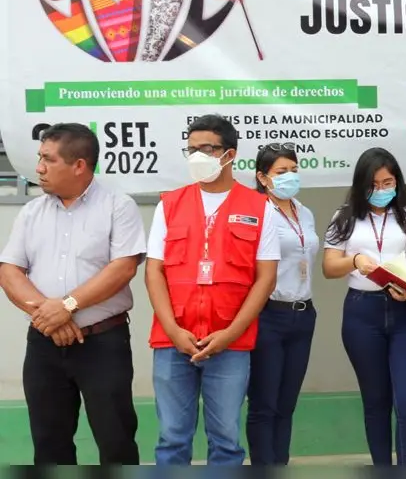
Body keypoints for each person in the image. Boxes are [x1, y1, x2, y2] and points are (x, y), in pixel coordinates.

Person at [0, 123, 146, 464]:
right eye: (40, 158)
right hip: (43, 344)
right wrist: (48, 315)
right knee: (49, 443)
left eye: (48, 160)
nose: (39, 168)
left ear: (79, 165)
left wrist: (67, 306)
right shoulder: (32, 211)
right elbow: (9, 270)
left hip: (102, 345)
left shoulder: (117, 206)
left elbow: (123, 268)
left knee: (116, 440)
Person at [145, 114, 280, 466]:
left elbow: (265, 278)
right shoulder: (169, 204)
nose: (196, 157)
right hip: (173, 340)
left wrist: (230, 333)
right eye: (190, 149)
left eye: (206, 149)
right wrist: (173, 331)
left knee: (226, 441)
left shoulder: (258, 207)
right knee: (172, 439)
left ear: (230, 154)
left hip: (230, 342)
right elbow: (154, 271)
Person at [323, 147, 406, 466]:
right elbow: (329, 267)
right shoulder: (344, 216)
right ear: (362, 185)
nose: (382, 190)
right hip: (362, 313)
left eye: (389, 183)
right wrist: (355, 260)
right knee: (376, 401)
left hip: (404, 310)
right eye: (375, 184)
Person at [246, 143, 321, 466]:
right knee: (265, 404)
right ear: (263, 178)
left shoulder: (304, 212)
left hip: (303, 314)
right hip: (268, 315)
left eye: (294, 170)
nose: (290, 177)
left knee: (287, 403)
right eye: (281, 172)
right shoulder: (255, 211)